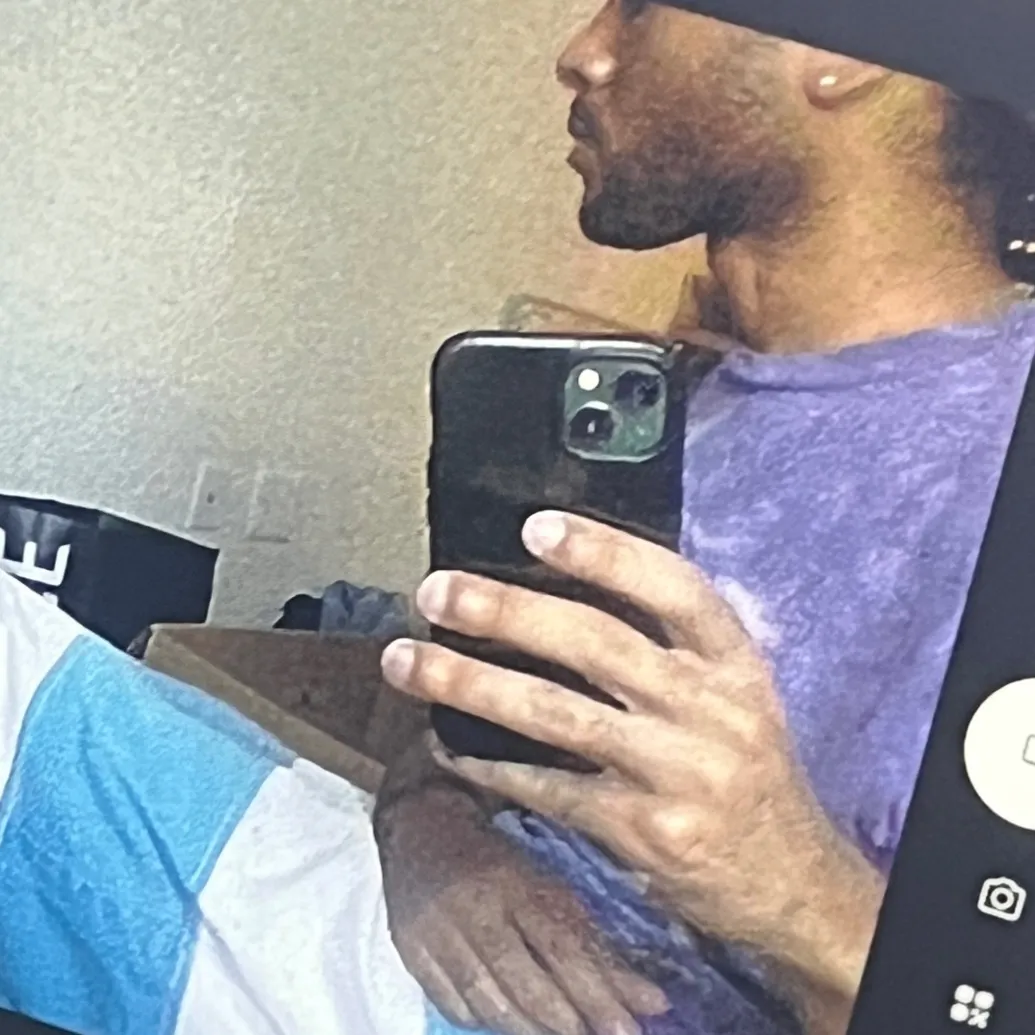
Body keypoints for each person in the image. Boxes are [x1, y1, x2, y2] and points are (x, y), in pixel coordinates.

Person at [372, 2, 1035, 1035]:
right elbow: (442, 714)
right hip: (413, 952)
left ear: (840, 52)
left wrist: (797, 896)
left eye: (640, 7)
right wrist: (433, 842)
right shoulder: (672, 414)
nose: (580, 54)